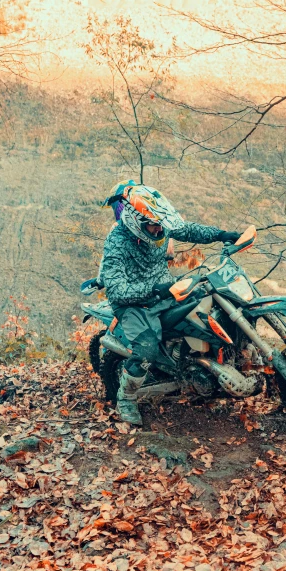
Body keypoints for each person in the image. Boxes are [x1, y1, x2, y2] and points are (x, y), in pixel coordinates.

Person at [101, 182, 240, 425]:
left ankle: (200, 365)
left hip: (167, 291)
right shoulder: (117, 241)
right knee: (146, 350)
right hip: (134, 303)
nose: (159, 231)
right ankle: (125, 398)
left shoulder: (160, 226)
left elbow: (187, 230)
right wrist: (153, 289)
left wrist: (220, 235)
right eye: (154, 226)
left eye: (161, 226)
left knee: (208, 306)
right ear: (136, 221)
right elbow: (116, 289)